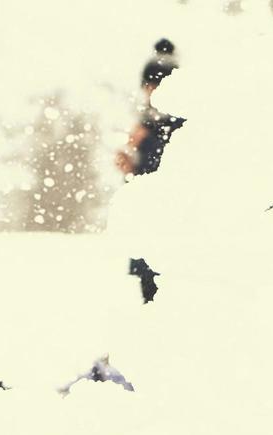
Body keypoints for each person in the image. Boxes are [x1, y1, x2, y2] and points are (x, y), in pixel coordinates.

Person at [117, 39, 183, 303]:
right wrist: (129, 167)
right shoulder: (147, 127)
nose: (147, 92)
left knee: (164, 293)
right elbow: (140, 177)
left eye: (152, 86)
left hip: (170, 224)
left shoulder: (173, 128)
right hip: (152, 223)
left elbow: (163, 175)